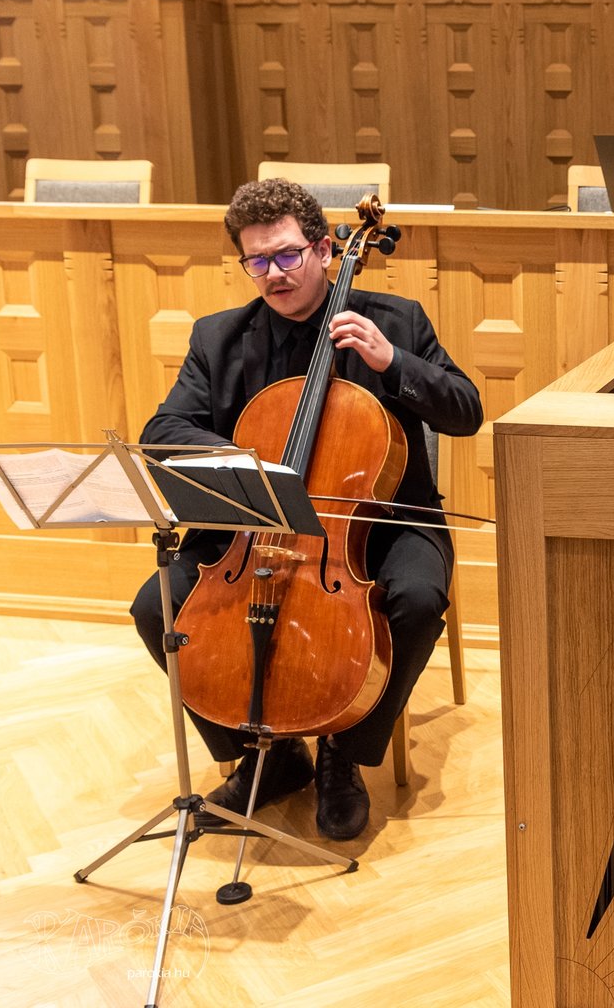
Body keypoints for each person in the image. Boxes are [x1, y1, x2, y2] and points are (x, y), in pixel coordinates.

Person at [131, 178, 484, 841]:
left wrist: (393, 361)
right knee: (157, 607)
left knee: (415, 600)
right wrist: (250, 460)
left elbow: (466, 412)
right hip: (256, 534)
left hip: (378, 524)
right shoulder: (219, 337)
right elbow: (164, 429)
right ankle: (264, 754)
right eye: (258, 261)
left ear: (324, 250)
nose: (275, 273)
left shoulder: (396, 320)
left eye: (288, 255)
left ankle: (342, 753)